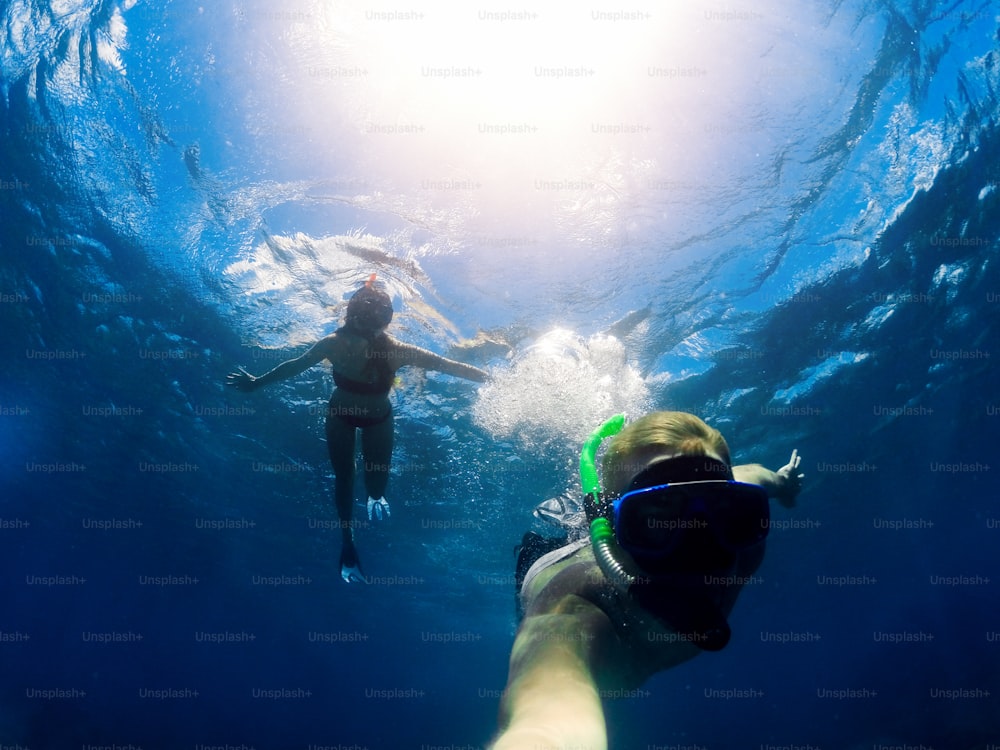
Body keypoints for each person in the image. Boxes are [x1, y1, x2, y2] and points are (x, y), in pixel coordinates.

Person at [491, 411, 804, 750]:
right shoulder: (576, 607)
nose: (699, 547)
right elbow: (544, 714)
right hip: (553, 560)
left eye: (723, 509)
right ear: (617, 530)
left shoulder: (746, 545)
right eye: (658, 518)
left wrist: (784, 483)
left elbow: (754, 476)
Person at [226, 274, 488, 583]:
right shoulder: (350, 345)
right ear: (383, 319)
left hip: (366, 419)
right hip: (348, 417)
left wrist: (258, 383)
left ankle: (363, 516)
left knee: (362, 483)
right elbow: (450, 366)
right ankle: (349, 539)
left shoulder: (369, 347)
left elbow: (450, 366)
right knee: (350, 478)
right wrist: (257, 383)